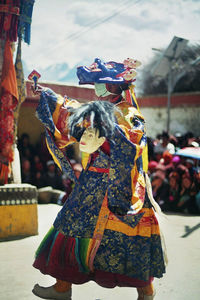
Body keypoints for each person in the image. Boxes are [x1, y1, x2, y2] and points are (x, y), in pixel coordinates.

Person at [31, 58, 166, 300]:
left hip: (122, 184)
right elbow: (73, 113)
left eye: (100, 84)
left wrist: (111, 130)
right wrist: (49, 96)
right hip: (91, 185)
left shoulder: (130, 112)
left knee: (130, 235)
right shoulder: (97, 108)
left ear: (114, 86)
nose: (96, 89)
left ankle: (146, 292)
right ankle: (62, 287)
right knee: (70, 225)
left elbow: (135, 140)